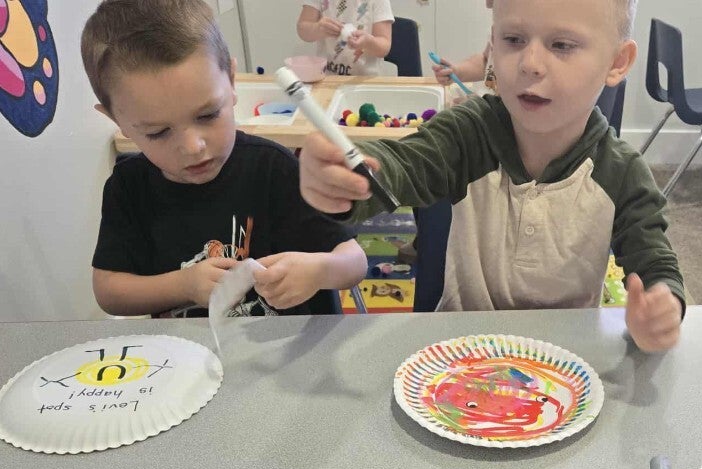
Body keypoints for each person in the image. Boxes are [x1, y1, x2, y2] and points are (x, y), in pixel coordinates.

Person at [298, 0, 685, 353]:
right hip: (459, 354)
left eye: (562, 45)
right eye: (513, 39)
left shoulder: (622, 172)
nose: (530, 63)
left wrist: (661, 308)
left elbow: (655, 262)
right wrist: (344, 178)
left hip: (564, 366)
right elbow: (403, 165)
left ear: (617, 62)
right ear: (492, 44)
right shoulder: (468, 134)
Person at [81, 0, 366, 318]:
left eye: (207, 115)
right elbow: (109, 292)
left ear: (231, 81)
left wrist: (320, 270)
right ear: (117, 120)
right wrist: (183, 285)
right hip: (186, 349)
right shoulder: (128, 187)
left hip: (289, 346)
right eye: (158, 132)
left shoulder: (274, 168)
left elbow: (354, 261)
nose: (193, 147)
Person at [296, 1, 394, 77]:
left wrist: (368, 42)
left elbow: (384, 47)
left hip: (365, 80)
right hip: (327, 79)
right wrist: (317, 28)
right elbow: (303, 30)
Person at [432, 0, 497, 94]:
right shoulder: (497, 26)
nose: (487, 3)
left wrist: (478, 102)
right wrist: (457, 72)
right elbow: (487, 62)